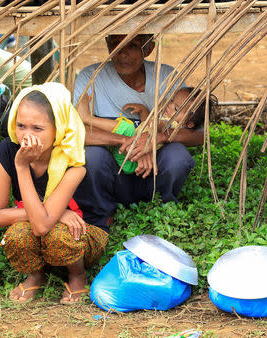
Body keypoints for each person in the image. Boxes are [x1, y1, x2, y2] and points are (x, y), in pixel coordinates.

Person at [0, 82, 109, 304]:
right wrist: (56, 213)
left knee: (57, 233)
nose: (26, 135)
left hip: (83, 231)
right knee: (18, 234)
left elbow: (42, 226)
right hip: (48, 222)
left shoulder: (73, 161)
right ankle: (36, 274)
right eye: (21, 125)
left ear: (59, 128)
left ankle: (77, 275)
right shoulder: (8, 150)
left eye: (37, 128)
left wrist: (22, 168)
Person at [72, 34, 204, 230]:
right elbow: (75, 132)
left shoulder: (166, 77)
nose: (122, 53)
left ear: (148, 48)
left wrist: (156, 139)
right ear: (108, 46)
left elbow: (200, 134)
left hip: (152, 171)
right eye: (116, 44)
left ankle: (163, 204)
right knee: (91, 157)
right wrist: (127, 140)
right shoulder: (90, 77)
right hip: (115, 172)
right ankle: (103, 210)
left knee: (178, 156)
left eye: (132, 46)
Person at [77, 86, 216, 174]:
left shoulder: (172, 125)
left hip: (131, 160)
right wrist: (144, 111)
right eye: (172, 100)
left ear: (189, 124)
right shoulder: (168, 121)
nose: (170, 105)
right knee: (129, 129)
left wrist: (153, 131)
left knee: (127, 128)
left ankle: (87, 118)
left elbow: (154, 125)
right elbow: (147, 124)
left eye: (177, 108)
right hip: (130, 154)